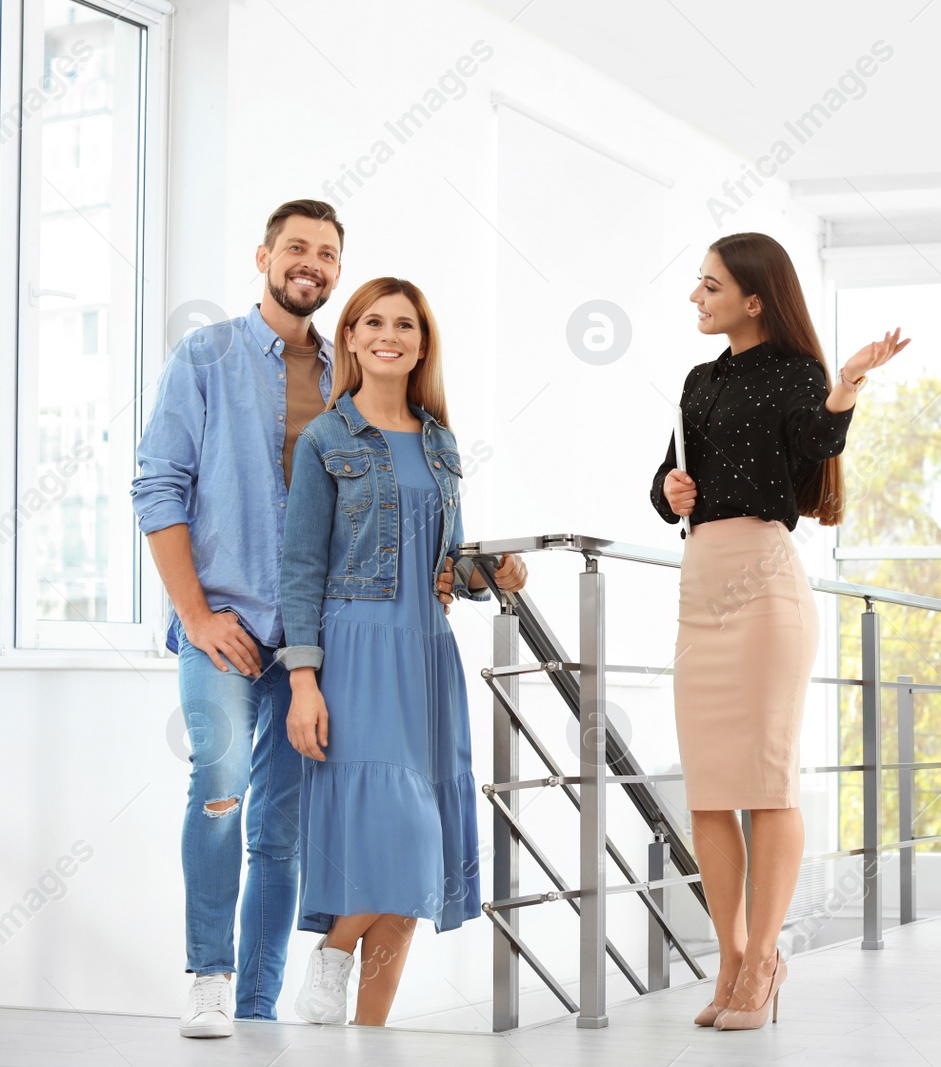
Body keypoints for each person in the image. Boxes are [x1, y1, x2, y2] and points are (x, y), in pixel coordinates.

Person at [649, 232, 909, 1030]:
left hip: (765, 582)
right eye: (697, 285)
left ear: (755, 298)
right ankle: (729, 958)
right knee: (709, 792)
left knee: (763, 783)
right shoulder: (698, 381)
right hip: (702, 581)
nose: (697, 297)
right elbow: (664, 492)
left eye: (711, 286)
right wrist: (672, 486)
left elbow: (813, 448)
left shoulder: (797, 374)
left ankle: (763, 959)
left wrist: (847, 388)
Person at [276, 276, 527, 1027]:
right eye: (375, 322)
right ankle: (331, 950)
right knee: (393, 835)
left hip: (427, 650)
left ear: (422, 344)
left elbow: (452, 562)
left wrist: (498, 572)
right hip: (354, 649)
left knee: (420, 861)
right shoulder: (327, 438)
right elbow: (300, 568)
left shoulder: (442, 442)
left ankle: (366, 1032)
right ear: (350, 337)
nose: (391, 335)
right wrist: (303, 680)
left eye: (407, 325)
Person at [132, 199, 345, 1037]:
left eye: (327, 253)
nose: (312, 263)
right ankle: (210, 976)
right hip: (219, 625)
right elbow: (159, 486)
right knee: (220, 787)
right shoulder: (208, 353)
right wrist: (196, 610)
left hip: (310, 642)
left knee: (283, 825)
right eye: (297, 247)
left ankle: (256, 1004)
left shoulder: (347, 373)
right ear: (265, 255)